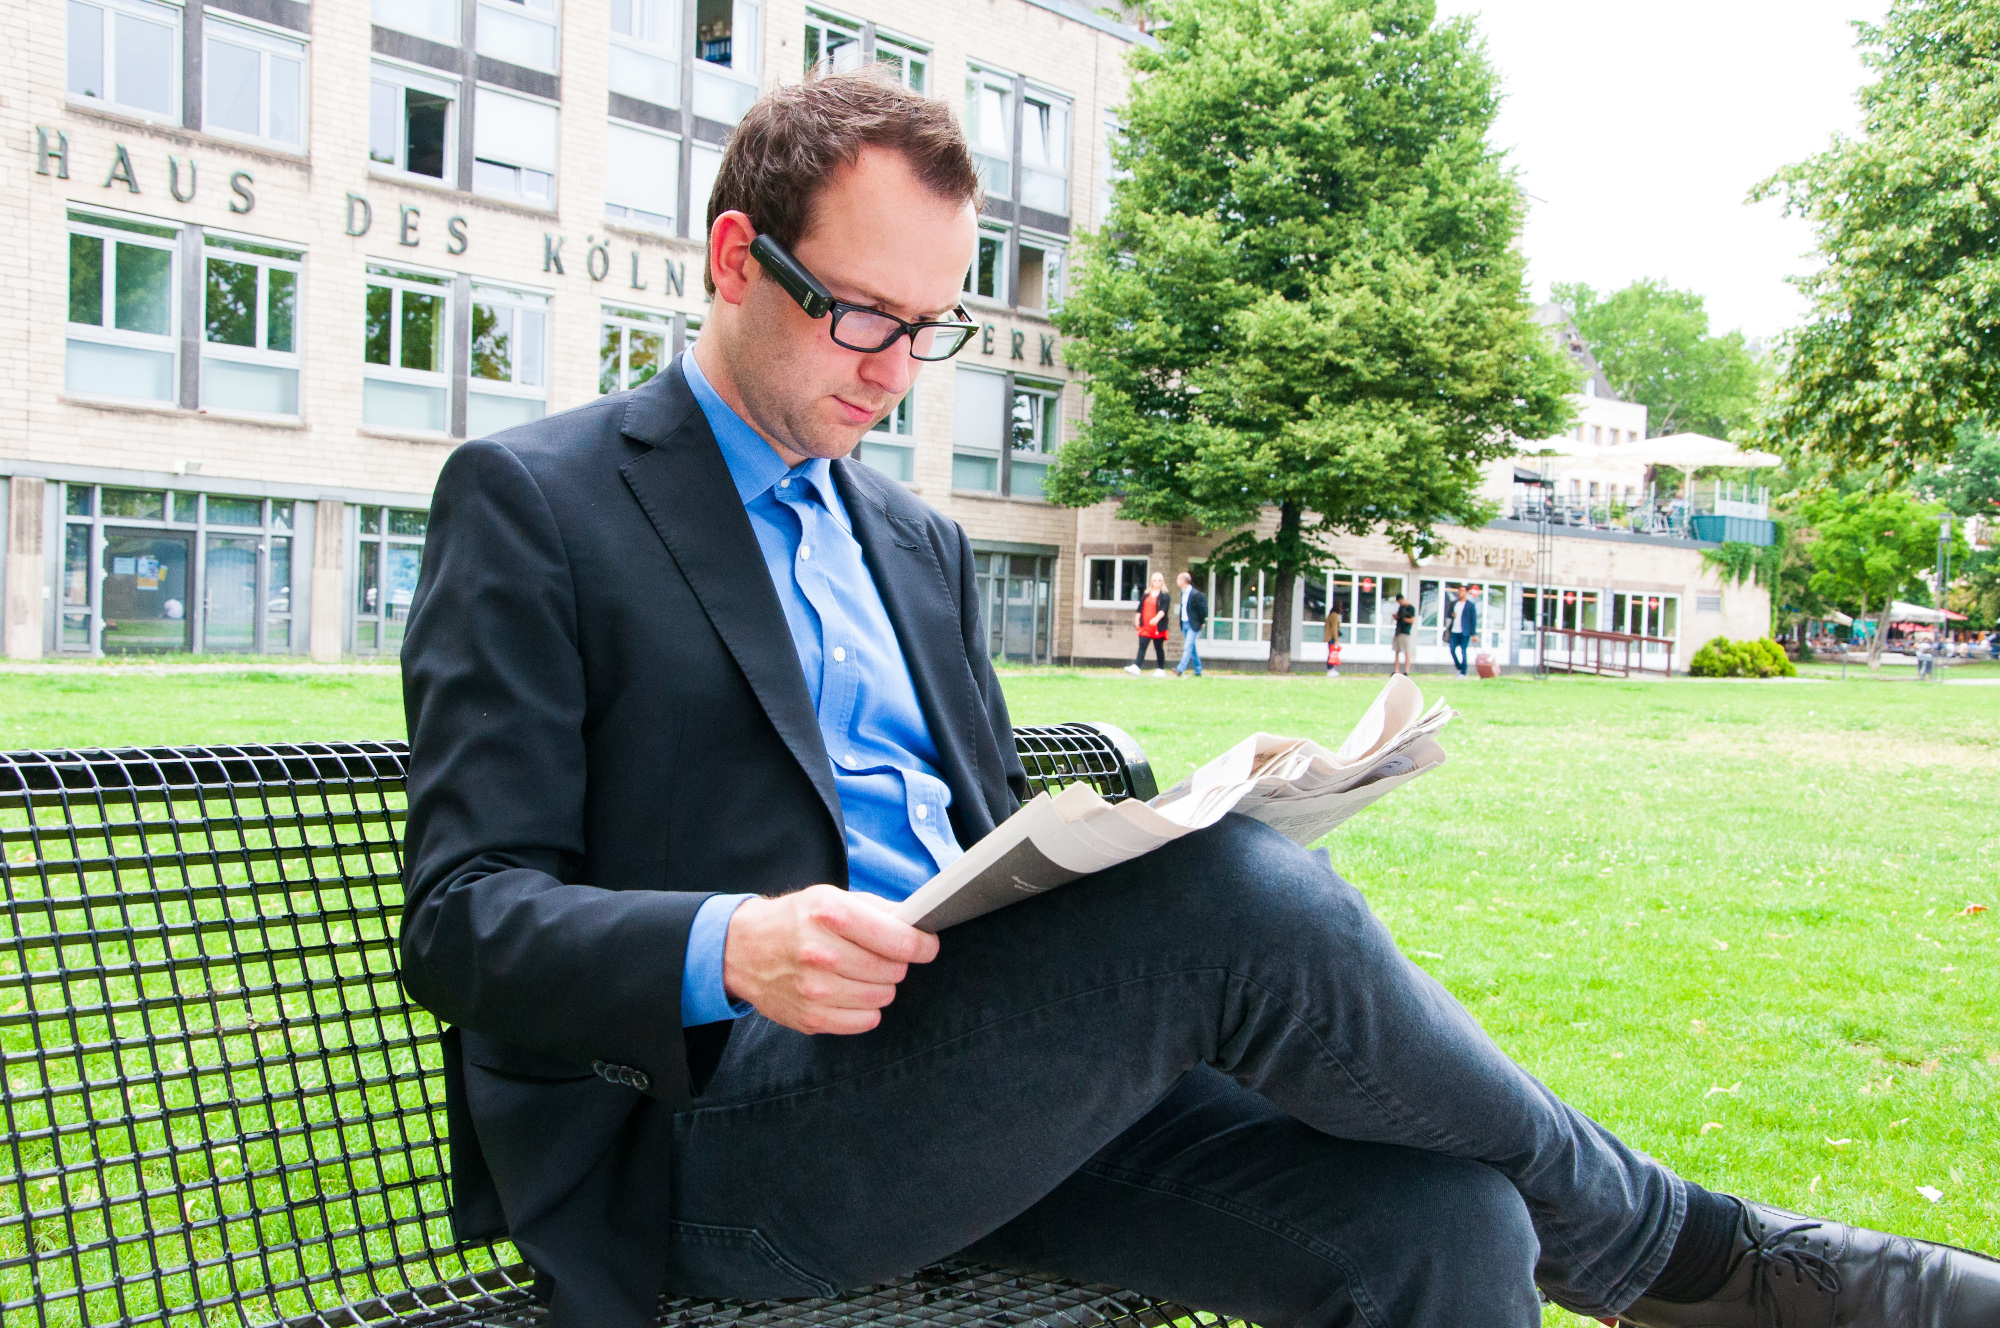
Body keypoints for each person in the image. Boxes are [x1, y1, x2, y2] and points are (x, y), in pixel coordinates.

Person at [398, 72, 2000, 1328]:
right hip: (717, 1144)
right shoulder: (539, 502)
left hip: (982, 1096)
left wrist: (1186, 814)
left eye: (930, 329)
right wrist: (726, 942)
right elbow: (464, 919)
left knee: (1450, 1228)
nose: (894, 371)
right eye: (862, 316)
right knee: (1234, 902)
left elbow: (973, 835)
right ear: (736, 258)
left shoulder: (913, 540)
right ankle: (1701, 1260)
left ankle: (1666, 1251)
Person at [1125, 570, 1170, 676]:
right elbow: (1139, 608)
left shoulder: (1165, 596)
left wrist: (1156, 619)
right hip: (1145, 626)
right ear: (1151, 582)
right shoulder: (1146, 594)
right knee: (1142, 645)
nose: (1157, 582)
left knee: (1158, 647)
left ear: (1162, 582)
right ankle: (1136, 666)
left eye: (1159, 581)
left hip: (1157, 627)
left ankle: (1160, 669)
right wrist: (1137, 619)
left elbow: (1163, 610)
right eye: (1155, 580)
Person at [1172, 570, 1206, 678]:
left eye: (1178, 579)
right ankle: (1198, 670)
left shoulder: (1195, 594)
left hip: (1193, 624)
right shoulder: (1183, 593)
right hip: (1185, 624)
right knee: (1192, 648)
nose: (1177, 581)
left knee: (1187, 646)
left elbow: (1202, 609)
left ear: (1184, 581)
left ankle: (1180, 669)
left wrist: (1201, 622)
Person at [1447, 584, 1478, 677]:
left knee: (1463, 651)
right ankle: (1459, 666)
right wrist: (1452, 614)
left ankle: (1463, 672)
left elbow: (1473, 620)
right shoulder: (1454, 603)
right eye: (1460, 590)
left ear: (1467, 592)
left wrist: (1474, 634)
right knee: (1452, 649)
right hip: (1454, 630)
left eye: (1463, 591)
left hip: (1465, 632)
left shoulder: (1470, 605)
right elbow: (1448, 614)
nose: (1461, 593)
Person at [1391, 592, 1416, 675]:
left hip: (1405, 632)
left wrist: (1404, 619)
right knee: (1396, 651)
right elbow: (1398, 616)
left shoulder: (1410, 608)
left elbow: (1412, 620)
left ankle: (1406, 671)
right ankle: (1396, 670)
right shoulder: (1401, 608)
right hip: (1398, 631)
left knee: (1406, 652)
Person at [1323, 597, 1342, 677]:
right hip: (1331, 637)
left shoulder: (1331, 614)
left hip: (1329, 636)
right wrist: (1336, 639)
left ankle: (1331, 669)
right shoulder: (1334, 615)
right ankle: (1330, 669)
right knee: (1332, 653)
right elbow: (1334, 628)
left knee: (1331, 653)